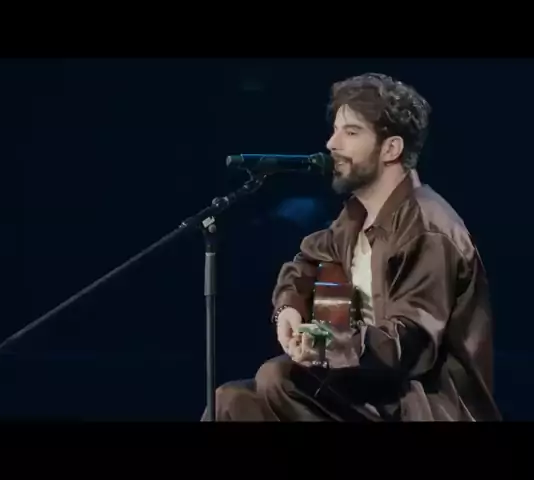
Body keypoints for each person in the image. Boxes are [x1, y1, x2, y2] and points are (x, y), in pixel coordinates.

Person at [203, 73, 501, 422]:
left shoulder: (428, 228)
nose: (332, 144)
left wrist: (327, 344)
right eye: (335, 130)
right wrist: (289, 309)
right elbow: (306, 263)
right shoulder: (355, 216)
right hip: (372, 392)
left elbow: (410, 344)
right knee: (229, 402)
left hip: (422, 403)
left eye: (351, 132)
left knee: (278, 378)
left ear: (391, 149)